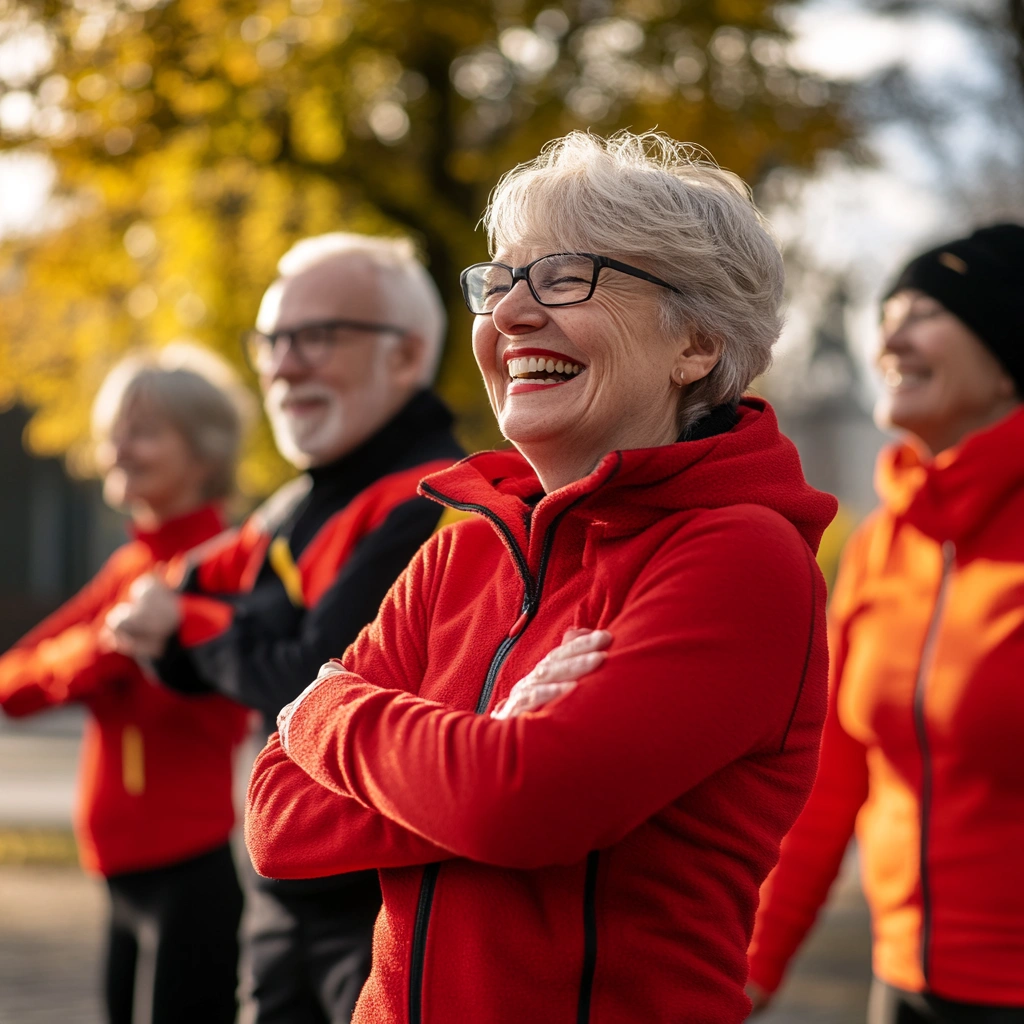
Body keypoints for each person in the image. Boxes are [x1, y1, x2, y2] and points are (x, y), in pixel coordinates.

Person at [244, 130, 838, 1024]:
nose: (513, 314)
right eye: (503, 280)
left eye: (568, 277)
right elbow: (275, 822)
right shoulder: (461, 551)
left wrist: (322, 708)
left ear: (698, 343)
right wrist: (476, 746)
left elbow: (524, 806)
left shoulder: (743, 557)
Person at [104, 233, 465, 1024]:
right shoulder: (300, 502)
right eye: (271, 340)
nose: (281, 364)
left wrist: (201, 627)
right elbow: (171, 613)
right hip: (281, 896)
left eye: (315, 337)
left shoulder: (433, 500)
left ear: (405, 357)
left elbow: (304, 680)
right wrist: (222, 630)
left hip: (382, 916)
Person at [747, 224, 1024, 1022]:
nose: (890, 337)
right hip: (902, 987)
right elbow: (830, 779)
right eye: (888, 312)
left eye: (927, 311)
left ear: (1008, 357)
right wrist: (751, 972)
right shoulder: (878, 543)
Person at [0, 345, 252, 1024]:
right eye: (113, 430)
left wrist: (128, 649)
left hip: (188, 870)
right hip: (117, 873)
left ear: (203, 452)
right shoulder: (130, 570)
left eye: (141, 431)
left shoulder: (230, 565)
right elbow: (13, 683)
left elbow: (221, 701)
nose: (116, 449)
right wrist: (100, 651)